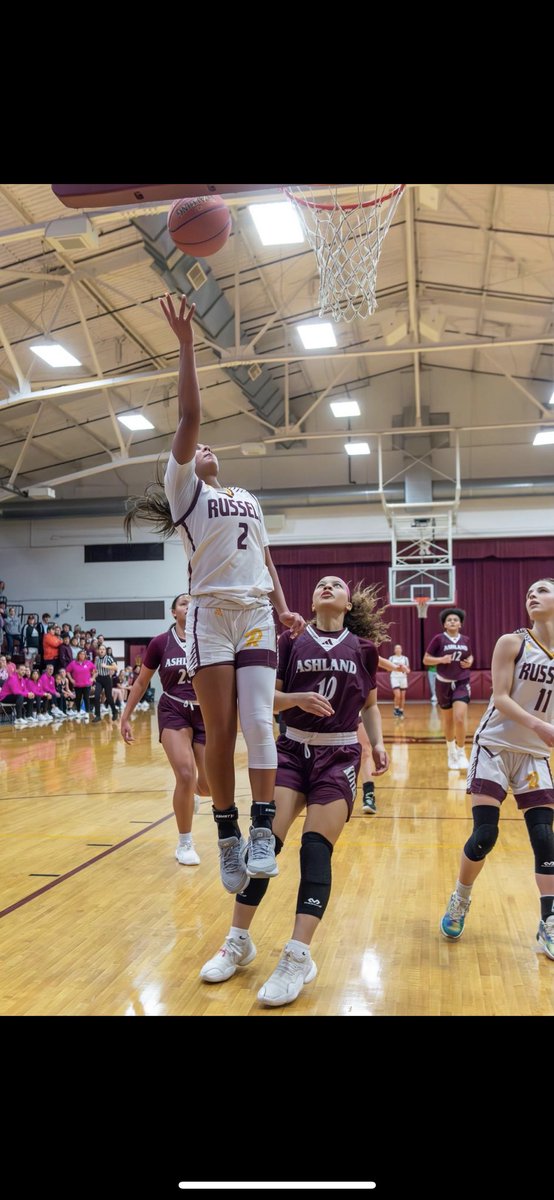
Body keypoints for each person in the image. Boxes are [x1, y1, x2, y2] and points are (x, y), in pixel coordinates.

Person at [124, 293, 304, 895]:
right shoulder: (185, 493)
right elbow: (190, 418)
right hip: (208, 616)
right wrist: (186, 343)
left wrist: (281, 606)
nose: (204, 448)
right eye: (195, 450)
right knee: (220, 730)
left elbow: (267, 556)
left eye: (206, 452)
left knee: (258, 718)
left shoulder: (248, 499)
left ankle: (258, 828)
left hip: (254, 611)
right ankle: (224, 831)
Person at [200, 576, 390, 1007]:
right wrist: (296, 700)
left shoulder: (363, 649)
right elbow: (264, 698)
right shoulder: (290, 642)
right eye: (320, 583)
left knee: (315, 850)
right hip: (291, 750)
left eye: (335, 584)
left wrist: (377, 742)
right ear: (310, 597)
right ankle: (237, 941)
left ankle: (297, 955)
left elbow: (371, 704)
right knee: (263, 847)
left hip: (338, 755)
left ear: (347, 603)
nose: (326, 586)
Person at [440, 578, 554, 961]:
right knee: (486, 834)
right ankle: (461, 897)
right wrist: (540, 725)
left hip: (534, 756)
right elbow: (500, 697)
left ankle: (549, 921)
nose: (532, 595)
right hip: (495, 746)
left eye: (542, 590)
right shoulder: (513, 642)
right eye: (529, 592)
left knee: (545, 840)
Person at [120, 594, 210, 866]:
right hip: (174, 709)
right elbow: (141, 682)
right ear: (174, 612)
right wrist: (125, 717)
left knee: (208, 787)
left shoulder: (209, 638)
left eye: (193, 602)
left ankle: (192, 794)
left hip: (205, 711)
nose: (189, 605)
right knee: (184, 774)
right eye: (184, 603)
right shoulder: (161, 642)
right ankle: (185, 843)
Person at [423, 607, 473, 770]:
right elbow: (426, 660)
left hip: (461, 681)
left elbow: (470, 656)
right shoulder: (438, 639)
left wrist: (470, 661)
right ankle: (451, 752)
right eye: (449, 620)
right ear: (444, 624)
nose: (452, 621)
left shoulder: (465, 640)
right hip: (443, 683)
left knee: (459, 717)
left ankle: (461, 751)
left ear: (460, 624)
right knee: (448, 720)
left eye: (455, 619)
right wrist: (440, 659)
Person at [388, 643, 410, 718]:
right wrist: (396, 667)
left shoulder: (405, 659)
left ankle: (401, 711)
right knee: (397, 695)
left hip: (403, 678)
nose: (398, 649)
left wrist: (404, 668)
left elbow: (408, 670)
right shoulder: (391, 658)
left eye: (399, 648)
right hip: (394, 677)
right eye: (396, 648)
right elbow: (388, 668)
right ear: (394, 650)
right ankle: (396, 708)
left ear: (401, 650)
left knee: (403, 696)